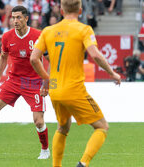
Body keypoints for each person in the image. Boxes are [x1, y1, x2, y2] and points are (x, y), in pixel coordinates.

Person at [30, 0, 121, 166]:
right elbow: (96, 55)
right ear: (80, 10)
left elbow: (34, 58)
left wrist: (46, 80)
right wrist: (112, 73)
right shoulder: (84, 29)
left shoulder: (48, 31)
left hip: (55, 91)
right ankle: (83, 163)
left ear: (61, 10)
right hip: (74, 90)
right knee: (102, 127)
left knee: (63, 128)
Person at [0, 5, 50, 159]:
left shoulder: (38, 36)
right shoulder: (7, 36)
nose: (15, 21)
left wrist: (46, 82)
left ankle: (45, 150)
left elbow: (50, 59)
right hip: (13, 80)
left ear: (26, 19)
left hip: (33, 82)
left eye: (19, 17)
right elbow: (3, 57)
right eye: (13, 17)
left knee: (39, 121)